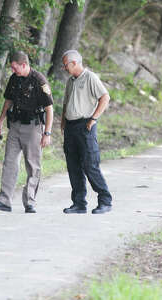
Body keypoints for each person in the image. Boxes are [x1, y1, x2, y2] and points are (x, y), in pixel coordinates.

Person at [0, 51, 53, 213]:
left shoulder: (39, 81)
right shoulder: (14, 79)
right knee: (9, 162)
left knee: (33, 166)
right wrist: (0, 121)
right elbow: (8, 100)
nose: (13, 70)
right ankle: (4, 200)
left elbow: (49, 109)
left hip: (33, 128)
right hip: (15, 126)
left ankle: (30, 201)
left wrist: (47, 133)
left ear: (24, 65)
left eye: (14, 67)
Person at [61, 50, 112, 214]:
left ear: (74, 63)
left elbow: (105, 97)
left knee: (90, 164)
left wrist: (94, 118)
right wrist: (63, 122)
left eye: (65, 65)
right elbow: (66, 102)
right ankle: (79, 203)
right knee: (73, 165)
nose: (64, 68)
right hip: (70, 127)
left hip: (85, 126)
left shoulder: (90, 77)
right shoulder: (70, 81)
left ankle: (105, 201)